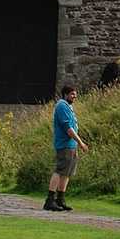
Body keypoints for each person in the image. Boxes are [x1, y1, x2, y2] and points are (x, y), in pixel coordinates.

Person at [44, 83, 87, 212]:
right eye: (72, 94)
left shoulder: (68, 107)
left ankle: (60, 199)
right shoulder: (62, 106)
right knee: (60, 170)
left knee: (67, 172)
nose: (75, 96)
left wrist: (76, 145)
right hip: (64, 144)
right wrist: (80, 142)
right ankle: (50, 199)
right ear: (65, 94)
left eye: (75, 94)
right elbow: (68, 128)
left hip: (71, 145)